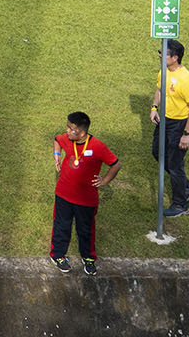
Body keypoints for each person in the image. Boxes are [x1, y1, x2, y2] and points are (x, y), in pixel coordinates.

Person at [49, 110, 119, 276]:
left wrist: (105, 181)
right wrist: (57, 155)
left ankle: (88, 258)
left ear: (81, 132)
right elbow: (56, 140)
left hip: (86, 200)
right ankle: (58, 255)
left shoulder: (97, 146)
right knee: (61, 225)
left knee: (85, 229)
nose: (67, 131)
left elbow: (115, 164)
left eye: (70, 128)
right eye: (67, 127)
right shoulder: (66, 139)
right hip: (63, 194)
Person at [150, 39, 189, 218]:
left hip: (181, 125)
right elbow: (159, 90)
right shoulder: (164, 71)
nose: (160, 55)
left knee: (175, 164)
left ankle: (181, 205)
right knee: (157, 152)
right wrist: (154, 108)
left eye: (164, 53)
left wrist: (186, 134)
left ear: (175, 58)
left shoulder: (185, 79)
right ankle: (188, 187)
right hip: (165, 120)